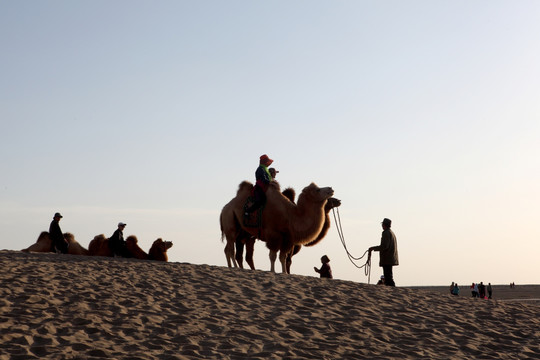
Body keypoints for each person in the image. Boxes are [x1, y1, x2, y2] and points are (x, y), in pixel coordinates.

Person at [369, 218, 399, 287]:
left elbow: (384, 246)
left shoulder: (386, 233)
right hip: (390, 258)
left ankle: (393, 291)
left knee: (388, 278)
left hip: (387, 258)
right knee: (388, 276)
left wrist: (373, 248)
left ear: (384, 225)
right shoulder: (391, 233)